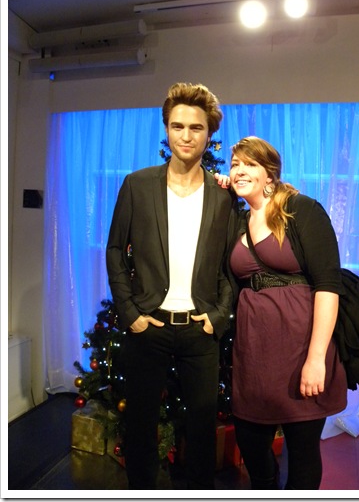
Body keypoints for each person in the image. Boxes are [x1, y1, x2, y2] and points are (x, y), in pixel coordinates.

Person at [106, 83, 237, 489]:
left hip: (201, 329)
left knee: (201, 434)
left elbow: (232, 265)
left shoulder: (223, 195)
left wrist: (218, 317)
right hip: (149, 325)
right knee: (139, 427)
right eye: (177, 126)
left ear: (209, 134)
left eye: (196, 127)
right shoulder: (137, 184)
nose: (186, 135)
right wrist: (130, 313)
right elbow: (115, 250)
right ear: (166, 129)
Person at [226, 136, 348, 490]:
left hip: (300, 350)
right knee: (251, 443)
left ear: (270, 174)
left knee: (302, 451)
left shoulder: (301, 210)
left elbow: (328, 285)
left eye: (249, 164)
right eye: (234, 165)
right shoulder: (236, 219)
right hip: (254, 356)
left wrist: (316, 359)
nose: (239, 171)